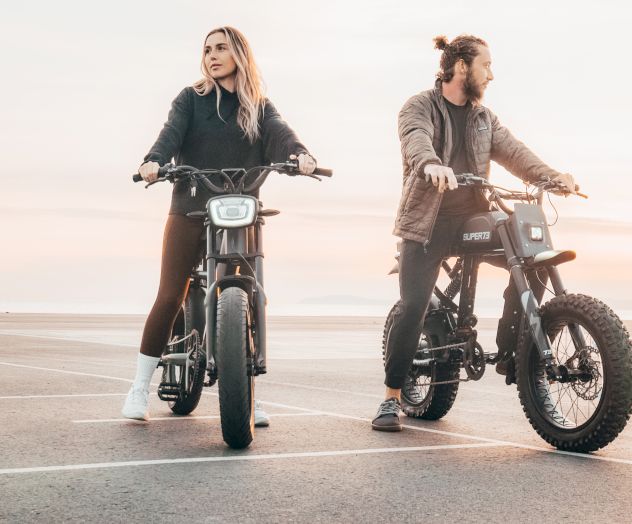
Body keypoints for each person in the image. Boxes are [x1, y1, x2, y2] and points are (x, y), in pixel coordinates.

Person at [372, 34, 578, 431]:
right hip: (428, 220)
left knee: (531, 261)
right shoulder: (419, 106)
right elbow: (415, 141)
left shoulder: (484, 117)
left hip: (473, 217)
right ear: (462, 66)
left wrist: (553, 177)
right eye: (487, 65)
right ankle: (390, 398)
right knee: (413, 305)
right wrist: (431, 164)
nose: (492, 74)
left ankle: (511, 349)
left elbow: (515, 152)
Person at [123, 26, 317, 422]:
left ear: (239, 54)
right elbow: (169, 136)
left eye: (221, 48)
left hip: (239, 209)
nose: (212, 55)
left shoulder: (259, 106)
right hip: (190, 206)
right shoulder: (191, 100)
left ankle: (247, 390)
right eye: (207, 49)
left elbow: (281, 135)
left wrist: (300, 155)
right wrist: (153, 162)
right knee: (169, 294)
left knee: (252, 291)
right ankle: (139, 387)